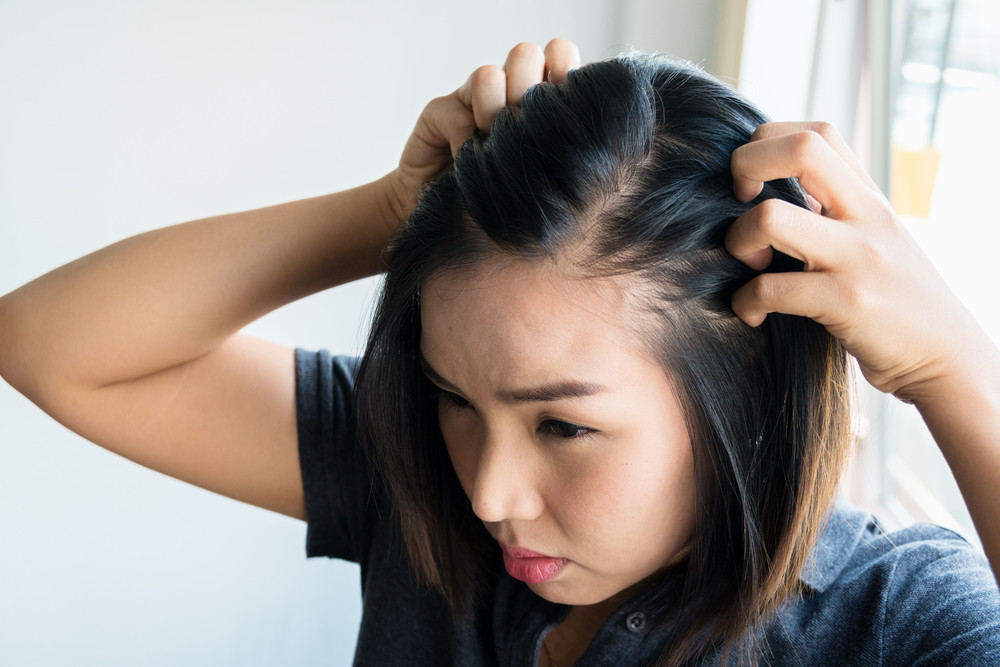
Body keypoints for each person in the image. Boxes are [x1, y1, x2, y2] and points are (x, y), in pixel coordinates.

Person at [0, 38, 998, 665]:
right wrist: (395, 214)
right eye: (453, 396)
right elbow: (52, 346)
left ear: (743, 397)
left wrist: (955, 372)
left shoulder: (891, 618)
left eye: (564, 423)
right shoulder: (424, 484)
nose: (488, 491)